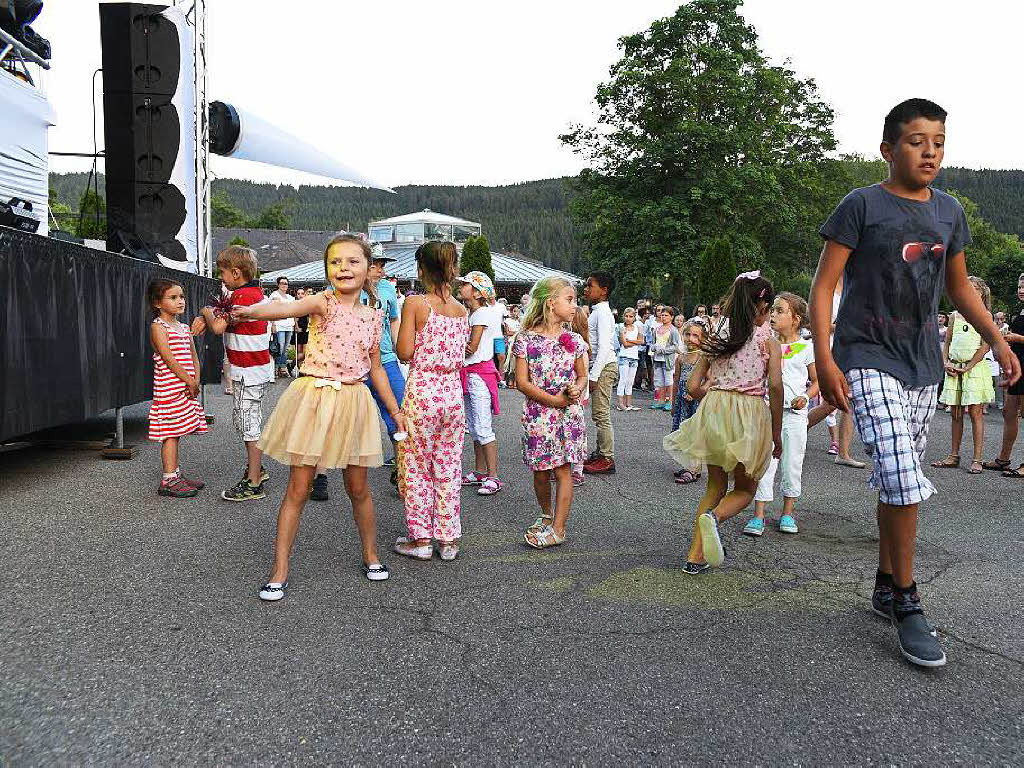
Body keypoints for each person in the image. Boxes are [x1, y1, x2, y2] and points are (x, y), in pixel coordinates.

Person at [809, 98, 1019, 667]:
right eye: (916, 140)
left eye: (940, 141)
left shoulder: (949, 211)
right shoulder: (861, 205)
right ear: (887, 149)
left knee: (893, 478)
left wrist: (996, 338)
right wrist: (825, 359)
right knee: (903, 474)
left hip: (924, 362)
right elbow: (824, 285)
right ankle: (907, 600)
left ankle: (883, 581)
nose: (930, 151)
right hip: (865, 354)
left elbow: (960, 287)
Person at [232, 234, 406, 597]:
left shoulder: (375, 317)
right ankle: (279, 569)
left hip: (354, 403)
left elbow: (375, 368)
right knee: (298, 487)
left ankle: (371, 555)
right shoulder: (322, 302)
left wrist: (394, 410)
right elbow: (282, 310)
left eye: (352, 261)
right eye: (335, 262)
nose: (343, 268)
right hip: (314, 398)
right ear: (327, 270)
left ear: (369, 268)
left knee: (358, 488)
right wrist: (250, 311)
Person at [664, 272, 783, 573]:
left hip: (715, 409)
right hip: (750, 413)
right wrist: (776, 433)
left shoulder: (717, 338)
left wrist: (718, 392)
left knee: (715, 485)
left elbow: (692, 387)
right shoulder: (768, 342)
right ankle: (714, 520)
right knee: (745, 489)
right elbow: (776, 387)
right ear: (763, 306)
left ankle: (695, 558)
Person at [393, 241, 470, 561]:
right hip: (452, 394)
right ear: (451, 269)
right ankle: (448, 539)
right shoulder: (462, 310)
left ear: (421, 269)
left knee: (416, 467)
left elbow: (405, 352)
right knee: (448, 467)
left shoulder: (415, 304)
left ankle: (421, 539)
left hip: (422, 392)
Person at [513, 276, 589, 548]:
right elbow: (522, 382)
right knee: (541, 471)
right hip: (539, 415)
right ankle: (546, 514)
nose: (574, 305)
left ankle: (559, 528)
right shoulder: (526, 340)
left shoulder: (575, 340)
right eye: (569, 299)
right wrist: (553, 401)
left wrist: (576, 389)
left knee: (564, 470)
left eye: (575, 300)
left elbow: (582, 376)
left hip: (569, 416)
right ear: (550, 303)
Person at [194, 246, 273, 502]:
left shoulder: (242, 298)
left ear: (236, 273)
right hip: (251, 370)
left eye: (223, 272)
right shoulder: (252, 294)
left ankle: (254, 482)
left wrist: (205, 311)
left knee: (248, 426)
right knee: (246, 422)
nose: (221, 277)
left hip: (247, 372)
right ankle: (256, 468)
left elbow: (218, 327)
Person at [744, 293, 818, 536]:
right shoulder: (765, 344)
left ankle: (787, 513)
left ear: (795, 319)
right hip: (766, 413)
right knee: (764, 463)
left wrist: (806, 397)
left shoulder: (807, 348)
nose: (773, 315)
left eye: (779, 311)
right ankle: (759, 516)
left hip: (794, 417)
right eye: (772, 311)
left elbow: (817, 381)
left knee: (792, 463)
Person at [147, 279, 207, 497]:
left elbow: (193, 356)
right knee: (170, 433)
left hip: (186, 387)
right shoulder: (158, 327)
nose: (180, 301)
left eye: (181, 296)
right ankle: (168, 480)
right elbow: (169, 359)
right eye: (173, 297)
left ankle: (175, 473)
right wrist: (189, 381)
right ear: (157, 303)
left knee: (177, 431)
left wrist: (196, 379)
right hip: (169, 388)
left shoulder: (183, 327)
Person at [931, 277, 994, 473]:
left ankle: (977, 458)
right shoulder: (955, 316)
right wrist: (945, 362)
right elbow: (947, 343)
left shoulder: (985, 315)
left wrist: (968, 366)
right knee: (956, 413)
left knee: (975, 413)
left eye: (974, 289)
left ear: (982, 294)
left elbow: (985, 346)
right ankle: (953, 455)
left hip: (974, 370)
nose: (969, 293)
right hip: (954, 369)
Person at [359, 246, 405, 483]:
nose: (380, 270)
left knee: (398, 411)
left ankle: (401, 469)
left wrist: (397, 348)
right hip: (353, 363)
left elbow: (394, 319)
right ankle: (321, 475)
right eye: (375, 264)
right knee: (339, 416)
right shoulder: (346, 287)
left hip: (385, 359)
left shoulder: (387, 288)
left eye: (382, 265)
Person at [457, 271, 505, 496]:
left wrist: (446, 346)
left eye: (465, 284)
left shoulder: (481, 314)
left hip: (478, 375)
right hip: (471, 375)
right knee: (475, 427)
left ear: (477, 292)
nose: (462, 287)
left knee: (483, 426)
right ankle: (479, 471)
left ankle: (493, 475)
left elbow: (471, 347)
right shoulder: (473, 313)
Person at [984, 274, 1024, 477]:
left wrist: (1018, 338)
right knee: (1008, 412)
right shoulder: (1019, 313)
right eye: (1019, 286)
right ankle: (1003, 459)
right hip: (1017, 367)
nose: (1021, 290)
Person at [582, 272, 619, 475]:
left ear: (604, 290)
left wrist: (594, 375)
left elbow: (605, 347)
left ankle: (607, 457)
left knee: (601, 414)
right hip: (599, 366)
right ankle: (600, 452)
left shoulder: (603, 313)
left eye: (590, 285)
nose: (586, 289)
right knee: (598, 413)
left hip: (604, 367)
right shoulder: (597, 311)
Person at [671, 320, 708, 484]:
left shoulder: (703, 357)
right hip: (682, 402)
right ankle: (689, 466)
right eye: (688, 334)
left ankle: (693, 469)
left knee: (695, 435)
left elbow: (709, 380)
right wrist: (673, 403)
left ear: (703, 339)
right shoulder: (681, 358)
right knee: (684, 434)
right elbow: (676, 380)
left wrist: (695, 393)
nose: (691, 338)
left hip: (696, 403)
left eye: (695, 335)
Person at [569, 305, 592, 486]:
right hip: (568, 393)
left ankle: (578, 469)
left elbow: (583, 374)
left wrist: (580, 394)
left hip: (576, 395)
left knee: (577, 432)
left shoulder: (580, 346)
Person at [650, 306, 681, 411]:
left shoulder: (673, 331)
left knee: (668, 380)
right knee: (658, 381)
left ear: (671, 317)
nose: (663, 317)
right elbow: (652, 343)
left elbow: (676, 346)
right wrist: (654, 348)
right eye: (662, 315)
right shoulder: (656, 329)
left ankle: (669, 401)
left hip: (667, 360)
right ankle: (659, 400)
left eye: (666, 315)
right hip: (657, 359)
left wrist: (663, 350)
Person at [616, 307, 643, 411]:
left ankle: (628, 403)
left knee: (630, 381)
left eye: (631, 316)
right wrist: (635, 341)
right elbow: (625, 344)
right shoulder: (621, 328)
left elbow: (641, 341)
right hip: (624, 356)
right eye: (626, 316)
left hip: (634, 357)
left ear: (634, 317)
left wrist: (631, 340)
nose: (628, 318)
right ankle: (620, 403)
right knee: (623, 379)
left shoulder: (637, 328)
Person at [268, 276, 295, 378]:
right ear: (278, 284)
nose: (284, 285)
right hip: (279, 325)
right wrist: (273, 324)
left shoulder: (290, 297)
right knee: (280, 346)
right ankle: (278, 368)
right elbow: (271, 311)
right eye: (282, 283)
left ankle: (282, 368)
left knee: (285, 348)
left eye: (286, 283)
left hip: (289, 325)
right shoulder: (274, 295)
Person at [634, 306, 654, 392]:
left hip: (643, 349)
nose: (648, 315)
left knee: (641, 367)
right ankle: (636, 384)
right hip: (638, 348)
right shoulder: (638, 324)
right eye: (646, 314)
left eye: (649, 313)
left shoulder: (645, 324)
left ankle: (638, 383)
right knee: (639, 367)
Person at [293, 288, 309, 373]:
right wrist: (296, 326)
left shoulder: (308, 304)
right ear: (296, 295)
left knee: (305, 352)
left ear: (304, 294)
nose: (300, 295)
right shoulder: (296, 304)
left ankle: (292, 363)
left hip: (306, 330)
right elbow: (295, 317)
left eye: (302, 293)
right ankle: (300, 371)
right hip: (299, 329)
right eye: (298, 293)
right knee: (299, 351)